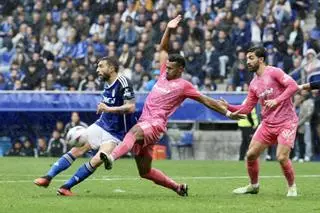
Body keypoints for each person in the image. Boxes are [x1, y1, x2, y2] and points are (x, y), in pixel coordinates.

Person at [99, 15, 245, 197]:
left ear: (180, 70)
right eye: (166, 67)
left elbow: (205, 100)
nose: (166, 69)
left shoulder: (184, 86)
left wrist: (228, 113)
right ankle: (178, 187)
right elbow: (163, 49)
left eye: (170, 68)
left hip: (156, 124)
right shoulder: (162, 73)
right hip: (145, 122)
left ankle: (112, 157)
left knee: (133, 132)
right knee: (144, 172)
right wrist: (168, 28)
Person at [34, 56, 136, 196]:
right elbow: (109, 104)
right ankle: (47, 177)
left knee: (97, 159)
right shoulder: (106, 83)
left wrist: (108, 109)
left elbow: (130, 107)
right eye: (97, 67)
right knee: (77, 149)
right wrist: (104, 108)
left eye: (101, 66)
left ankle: (66, 187)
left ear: (112, 68)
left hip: (116, 133)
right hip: (101, 124)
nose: (97, 69)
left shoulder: (123, 82)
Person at [220, 46, 299, 197]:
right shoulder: (253, 84)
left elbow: (293, 86)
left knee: (281, 157)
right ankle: (254, 186)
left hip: (286, 122)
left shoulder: (274, 72)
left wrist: (277, 100)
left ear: (261, 59)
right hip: (267, 124)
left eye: (251, 58)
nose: (247, 62)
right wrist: (228, 106)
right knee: (250, 155)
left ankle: (292, 187)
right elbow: (247, 108)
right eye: (247, 58)